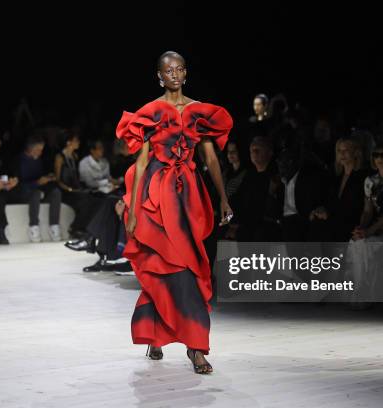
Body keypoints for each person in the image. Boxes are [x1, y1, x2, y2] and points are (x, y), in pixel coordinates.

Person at [117, 51, 233, 374]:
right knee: (162, 263)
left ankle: (195, 345)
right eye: (169, 70)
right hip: (157, 196)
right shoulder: (150, 113)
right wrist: (133, 209)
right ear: (159, 76)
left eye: (180, 68)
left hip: (188, 197)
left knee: (191, 264)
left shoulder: (199, 112)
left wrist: (223, 197)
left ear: (186, 73)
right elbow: (141, 163)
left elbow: (210, 160)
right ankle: (168, 336)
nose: (175, 74)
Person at [345, 143, 383, 307]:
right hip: (375, 225)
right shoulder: (369, 181)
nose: (379, 158)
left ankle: (366, 294)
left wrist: (369, 231)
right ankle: (361, 292)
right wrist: (361, 228)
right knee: (358, 243)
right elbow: (367, 210)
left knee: (367, 244)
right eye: (375, 155)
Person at [13, 133, 63, 242]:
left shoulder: (38, 159)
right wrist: (37, 183)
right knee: (35, 193)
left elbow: (38, 177)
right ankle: (33, 226)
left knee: (56, 192)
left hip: (37, 188)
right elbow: (19, 183)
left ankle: (54, 225)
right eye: (39, 149)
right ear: (31, 149)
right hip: (24, 192)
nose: (41, 152)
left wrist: (47, 178)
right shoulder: (19, 160)